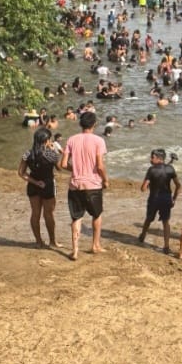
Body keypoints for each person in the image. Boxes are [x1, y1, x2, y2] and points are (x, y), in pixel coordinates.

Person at [59, 111, 109, 260]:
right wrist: (105, 180)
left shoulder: (72, 140)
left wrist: (75, 169)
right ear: (94, 124)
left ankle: (75, 250)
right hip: (93, 184)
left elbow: (62, 164)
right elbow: (100, 166)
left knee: (76, 218)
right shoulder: (99, 141)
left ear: (81, 124)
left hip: (75, 185)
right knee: (97, 215)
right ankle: (95, 245)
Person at [18, 127, 61, 247]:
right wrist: (54, 151)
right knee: (49, 214)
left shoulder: (27, 153)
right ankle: (52, 241)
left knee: (35, 213)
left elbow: (21, 173)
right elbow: (59, 168)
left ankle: (38, 241)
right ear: (47, 140)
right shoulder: (50, 154)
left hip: (33, 185)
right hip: (47, 185)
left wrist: (35, 182)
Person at [138, 148, 179, 254]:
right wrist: (174, 198)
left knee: (149, 219)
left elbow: (143, 188)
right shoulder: (170, 169)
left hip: (154, 199)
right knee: (166, 222)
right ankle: (166, 246)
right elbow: (178, 185)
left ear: (158, 158)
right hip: (166, 198)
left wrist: (147, 185)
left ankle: (143, 235)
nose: (151, 159)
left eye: (152, 157)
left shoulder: (151, 170)